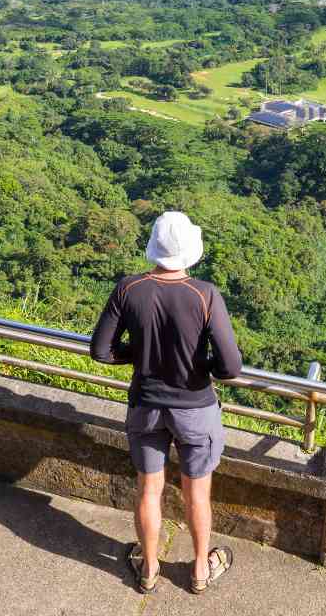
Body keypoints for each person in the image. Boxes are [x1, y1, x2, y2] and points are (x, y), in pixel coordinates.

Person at [90, 211, 243, 595]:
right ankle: (200, 570)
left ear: (153, 248)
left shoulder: (129, 289)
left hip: (146, 405)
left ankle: (149, 567)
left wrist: (143, 354)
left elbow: (101, 351)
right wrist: (198, 364)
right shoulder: (205, 294)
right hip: (195, 408)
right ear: (191, 250)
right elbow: (230, 366)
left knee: (148, 489)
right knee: (197, 492)